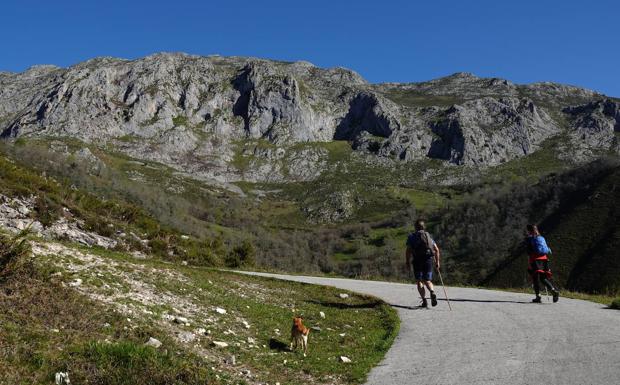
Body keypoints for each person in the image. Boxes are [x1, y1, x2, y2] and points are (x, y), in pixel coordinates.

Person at [406, 220, 441, 307]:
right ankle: (432, 292)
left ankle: (424, 301)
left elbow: (408, 251)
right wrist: (437, 262)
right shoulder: (428, 236)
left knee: (419, 281)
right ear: (423, 227)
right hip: (428, 260)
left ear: (415, 227)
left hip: (417, 261)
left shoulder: (411, 237)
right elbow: (436, 249)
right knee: (428, 280)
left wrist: (407, 261)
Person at [525, 224, 559, 303]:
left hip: (535, 260)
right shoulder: (541, 237)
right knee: (543, 278)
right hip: (545, 260)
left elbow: (529, 252)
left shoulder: (529, 239)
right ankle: (553, 291)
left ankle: (538, 297)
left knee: (535, 278)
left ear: (529, 230)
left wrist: (529, 262)